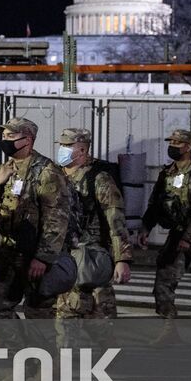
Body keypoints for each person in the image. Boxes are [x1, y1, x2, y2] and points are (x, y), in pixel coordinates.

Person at [0, 117, 71, 320]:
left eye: (11, 136)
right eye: (4, 135)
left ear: (28, 139)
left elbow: (57, 217)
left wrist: (43, 257)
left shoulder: (46, 172)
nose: (5, 140)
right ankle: (19, 348)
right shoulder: (4, 168)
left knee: (38, 312)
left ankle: (39, 351)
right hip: (9, 250)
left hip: (35, 253)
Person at [139, 128, 191, 342]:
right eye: (172, 142)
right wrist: (145, 228)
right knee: (164, 281)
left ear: (188, 146)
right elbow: (155, 204)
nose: (173, 146)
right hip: (178, 235)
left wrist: (190, 238)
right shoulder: (167, 173)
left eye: (178, 143)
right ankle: (169, 330)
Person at [52, 128, 133, 329]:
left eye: (67, 146)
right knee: (64, 316)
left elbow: (115, 218)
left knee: (100, 318)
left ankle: (104, 358)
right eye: (61, 145)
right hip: (62, 255)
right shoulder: (56, 174)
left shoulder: (98, 178)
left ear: (81, 150)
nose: (62, 149)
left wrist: (121, 259)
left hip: (92, 257)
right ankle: (67, 357)